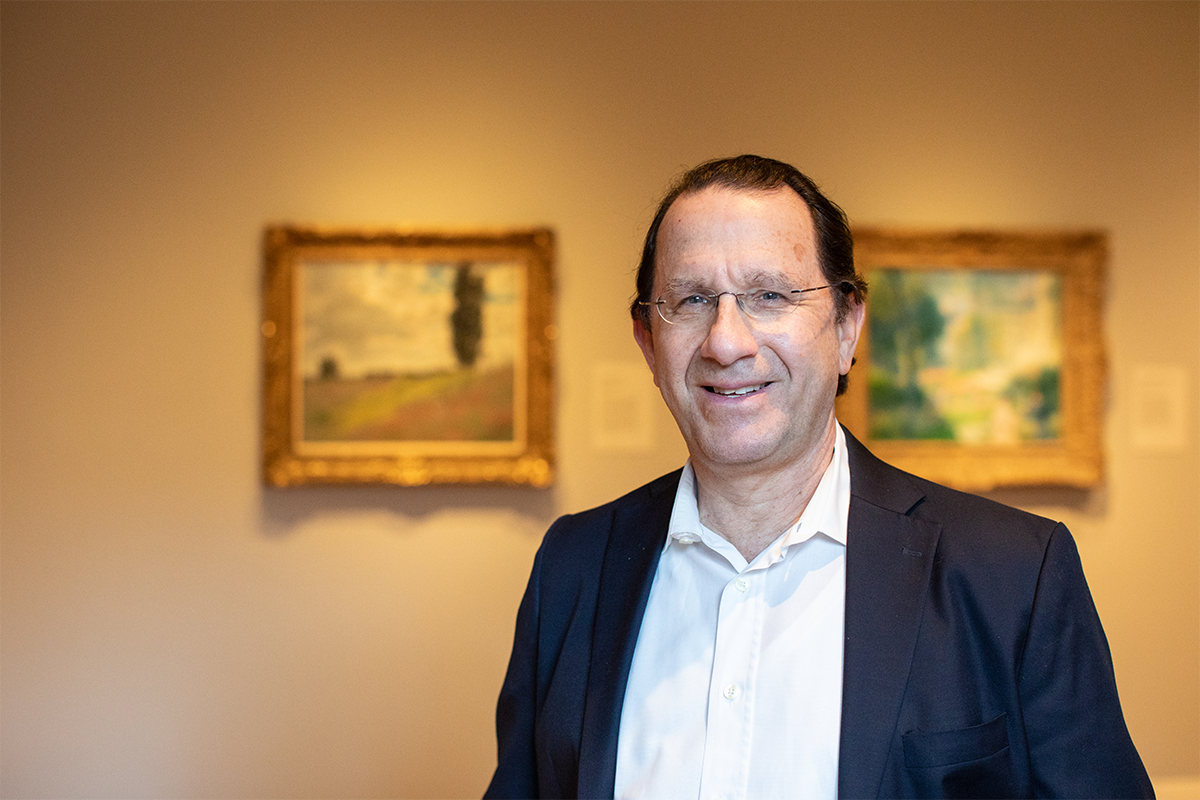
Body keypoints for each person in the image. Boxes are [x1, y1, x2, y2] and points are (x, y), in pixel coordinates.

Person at [483, 155, 1153, 800]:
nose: (727, 342)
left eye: (768, 295)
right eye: (689, 300)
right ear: (647, 343)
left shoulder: (1011, 577)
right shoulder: (572, 567)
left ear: (846, 327)